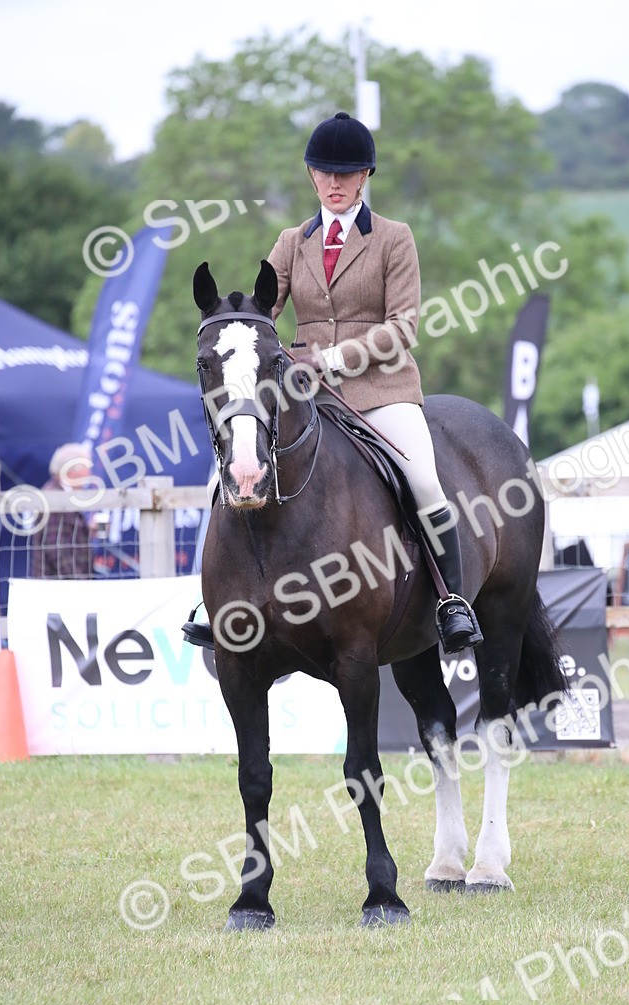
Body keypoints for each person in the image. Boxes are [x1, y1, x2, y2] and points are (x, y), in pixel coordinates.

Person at [183, 112, 482, 654]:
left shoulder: (394, 239)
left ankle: (450, 602)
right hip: (304, 393)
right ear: (311, 175)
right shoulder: (291, 242)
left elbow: (403, 327)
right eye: (325, 173)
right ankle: (216, 599)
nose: (335, 183)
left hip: (381, 389)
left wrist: (336, 358)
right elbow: (262, 314)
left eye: (346, 174)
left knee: (424, 480)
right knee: (234, 460)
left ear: (365, 176)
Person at [30, 443, 94, 579]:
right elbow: (57, 550)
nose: (89, 474)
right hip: (58, 589)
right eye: (86, 467)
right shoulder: (55, 499)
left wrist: (88, 532)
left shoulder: (62, 495)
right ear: (71, 471)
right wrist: (77, 584)